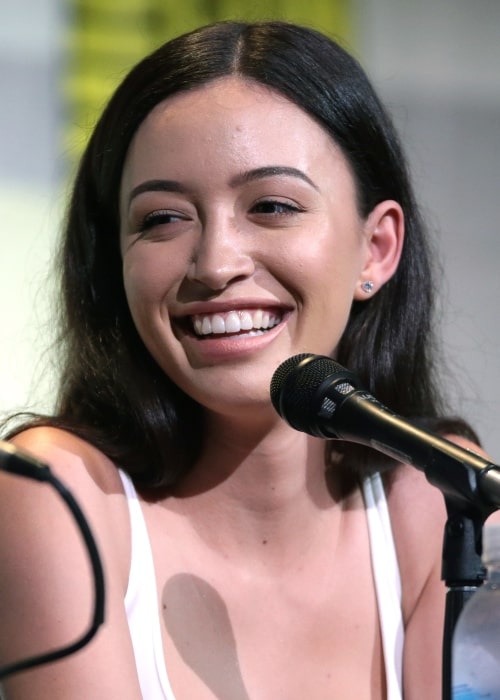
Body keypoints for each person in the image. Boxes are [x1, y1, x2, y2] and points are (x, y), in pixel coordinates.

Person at [0, 19, 494, 700]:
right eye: (163, 219)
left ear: (375, 250)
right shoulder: (55, 492)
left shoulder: (436, 492)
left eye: (271, 205)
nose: (216, 264)